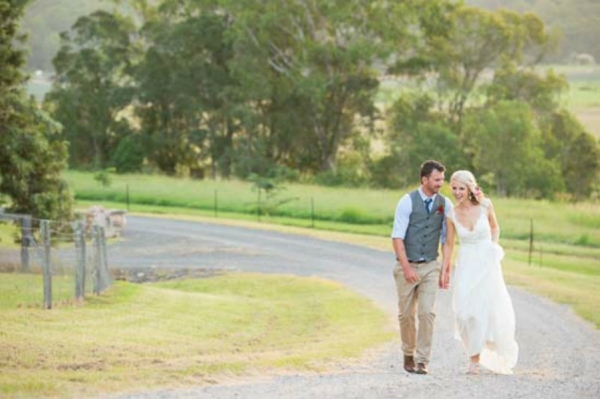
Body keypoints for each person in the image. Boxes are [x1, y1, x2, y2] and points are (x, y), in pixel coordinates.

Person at [444, 170, 519, 375]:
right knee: (464, 311)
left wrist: (493, 248)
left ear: (470, 188)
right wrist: (445, 268)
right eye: (454, 188)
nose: (457, 192)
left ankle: (475, 360)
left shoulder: (486, 205)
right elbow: (449, 244)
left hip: (487, 262)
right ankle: (474, 350)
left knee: (488, 305)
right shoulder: (451, 214)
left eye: (461, 188)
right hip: (467, 263)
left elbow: (495, 228)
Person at [391, 160, 454, 375]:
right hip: (406, 265)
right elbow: (397, 238)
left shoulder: (445, 204)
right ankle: (408, 352)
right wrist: (407, 268)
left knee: (427, 313)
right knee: (406, 315)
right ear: (424, 179)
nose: (440, 184)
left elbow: (447, 239)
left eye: (442, 180)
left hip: (429, 265)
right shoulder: (407, 201)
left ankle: (422, 360)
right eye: (436, 180)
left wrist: (445, 267)